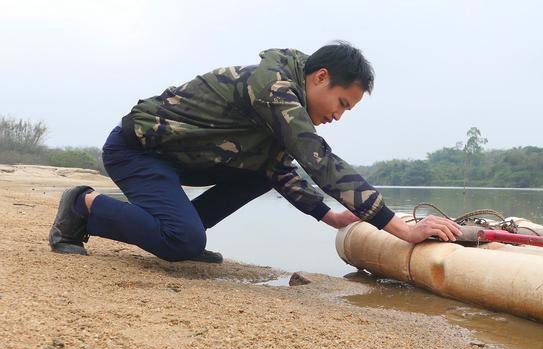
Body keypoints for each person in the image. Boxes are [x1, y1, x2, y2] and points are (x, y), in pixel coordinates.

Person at [49, 41, 462, 263]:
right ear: (320, 78)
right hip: (138, 150)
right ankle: (83, 205)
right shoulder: (275, 89)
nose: (338, 116)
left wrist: (329, 215)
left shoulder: (287, 104)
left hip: (179, 162)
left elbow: (279, 169)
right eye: (341, 104)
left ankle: (182, 232)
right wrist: (402, 229)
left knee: (259, 173)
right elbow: (318, 159)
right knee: (181, 241)